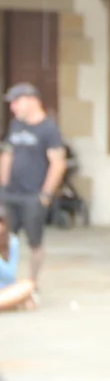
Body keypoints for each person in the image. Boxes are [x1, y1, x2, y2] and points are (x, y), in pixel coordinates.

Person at [0, 83, 67, 285]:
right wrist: (3, 186)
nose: (13, 107)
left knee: (35, 242)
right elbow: (7, 155)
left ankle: (32, 282)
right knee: (4, 239)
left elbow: (58, 163)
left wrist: (46, 194)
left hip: (33, 195)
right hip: (10, 193)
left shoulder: (48, 129)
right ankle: (6, 282)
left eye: (17, 102)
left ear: (32, 101)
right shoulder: (15, 125)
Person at [0, 205, 34, 311]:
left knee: (28, 285)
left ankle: (10, 304)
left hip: (7, 289)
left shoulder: (12, 242)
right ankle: (12, 304)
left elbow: (10, 274)